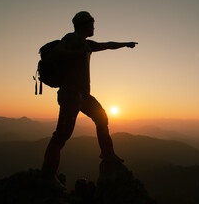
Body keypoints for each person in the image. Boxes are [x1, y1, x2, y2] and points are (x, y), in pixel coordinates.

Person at [41, 11, 137, 190]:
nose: (94, 27)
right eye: (92, 24)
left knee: (101, 118)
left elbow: (106, 45)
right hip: (70, 95)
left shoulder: (86, 43)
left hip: (83, 96)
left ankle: (108, 154)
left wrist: (126, 44)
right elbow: (58, 52)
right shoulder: (70, 39)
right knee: (62, 135)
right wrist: (80, 52)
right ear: (84, 25)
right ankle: (47, 174)